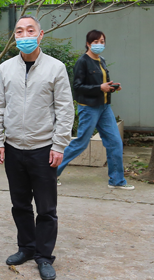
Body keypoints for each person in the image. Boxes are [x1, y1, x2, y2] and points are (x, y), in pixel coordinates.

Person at [0, 15, 74, 280]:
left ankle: (44, 256)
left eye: (30, 30)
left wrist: (59, 145)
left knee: (46, 208)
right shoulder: (5, 68)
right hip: (14, 148)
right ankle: (26, 247)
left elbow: (65, 109)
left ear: (40, 34)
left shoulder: (56, 68)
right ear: (14, 36)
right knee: (20, 204)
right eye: (19, 31)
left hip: (43, 148)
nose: (24, 35)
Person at [57, 30, 134, 190]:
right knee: (81, 143)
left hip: (104, 107)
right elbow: (77, 87)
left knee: (115, 142)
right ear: (88, 44)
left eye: (102, 41)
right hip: (88, 108)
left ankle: (117, 181)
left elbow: (102, 84)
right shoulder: (82, 62)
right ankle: (50, 173)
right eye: (96, 42)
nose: (100, 44)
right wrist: (99, 87)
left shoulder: (101, 60)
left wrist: (112, 87)